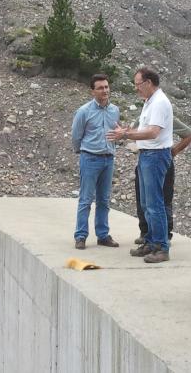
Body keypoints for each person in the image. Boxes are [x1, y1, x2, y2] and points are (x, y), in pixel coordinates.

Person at [107, 67, 173, 264]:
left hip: (155, 155)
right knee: (146, 203)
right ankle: (151, 242)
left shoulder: (160, 103)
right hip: (147, 154)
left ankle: (161, 247)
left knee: (154, 204)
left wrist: (126, 135)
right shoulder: (150, 102)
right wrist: (130, 131)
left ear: (149, 83)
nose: (136, 89)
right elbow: (146, 129)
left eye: (138, 84)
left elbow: (153, 132)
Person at [70, 74, 121, 250]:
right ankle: (81, 236)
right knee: (85, 199)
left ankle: (103, 235)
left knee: (104, 200)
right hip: (90, 158)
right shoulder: (84, 111)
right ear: (93, 91)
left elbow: (116, 131)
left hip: (108, 158)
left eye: (106, 87)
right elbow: (76, 136)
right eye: (100, 88)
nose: (105, 90)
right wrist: (82, 152)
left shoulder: (115, 110)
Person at [134, 117, 191, 244]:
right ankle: (146, 233)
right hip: (144, 160)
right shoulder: (143, 115)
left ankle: (164, 236)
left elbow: (188, 134)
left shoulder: (165, 115)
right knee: (143, 199)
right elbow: (134, 133)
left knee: (163, 199)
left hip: (161, 161)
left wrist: (173, 152)